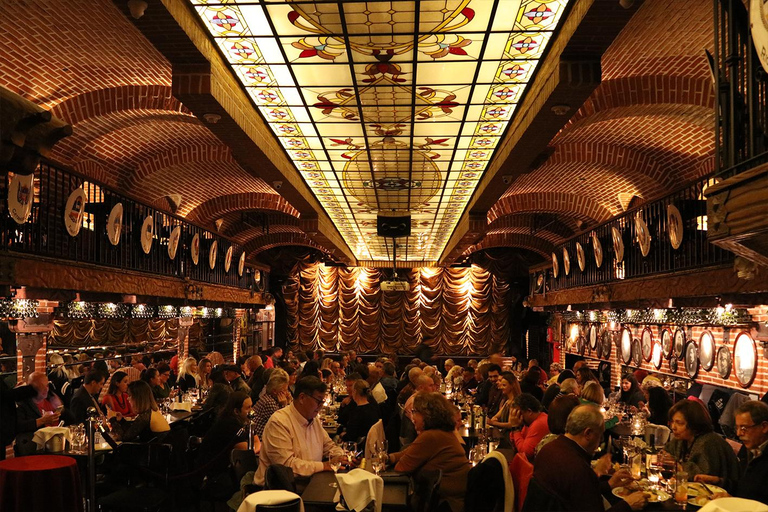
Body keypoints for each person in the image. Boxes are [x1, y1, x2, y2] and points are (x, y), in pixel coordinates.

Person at [534, 404, 646, 511]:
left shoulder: (548, 449)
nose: (599, 442)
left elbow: (577, 494)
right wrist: (628, 505)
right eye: (599, 436)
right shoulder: (579, 469)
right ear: (588, 433)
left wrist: (609, 485)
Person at [253, 376, 344, 486]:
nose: (321, 406)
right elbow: (287, 467)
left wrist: (340, 457)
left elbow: (329, 447)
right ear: (302, 398)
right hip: (277, 491)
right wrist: (324, 466)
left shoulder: (313, 420)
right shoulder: (279, 422)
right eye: (318, 401)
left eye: (322, 401)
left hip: (308, 484)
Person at [389, 392, 471, 512]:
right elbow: (409, 451)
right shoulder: (443, 432)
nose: (412, 418)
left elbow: (401, 468)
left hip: (446, 505)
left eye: (415, 412)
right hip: (452, 501)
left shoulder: (431, 436)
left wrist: (391, 460)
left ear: (427, 415)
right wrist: (388, 457)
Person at [696, 401, 768, 503]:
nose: (738, 433)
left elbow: (761, 501)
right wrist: (718, 481)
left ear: (764, 427)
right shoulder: (753, 450)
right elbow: (744, 488)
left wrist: (733, 502)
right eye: (737, 428)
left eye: (744, 428)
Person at [665, 399, 740, 491]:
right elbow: (667, 453)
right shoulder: (682, 438)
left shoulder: (709, 442)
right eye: (672, 422)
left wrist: (679, 466)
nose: (673, 427)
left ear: (694, 423)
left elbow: (704, 477)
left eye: (679, 423)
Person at [196, 391, 260, 484]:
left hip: (226, 468)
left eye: (251, 406)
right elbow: (247, 451)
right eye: (248, 408)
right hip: (215, 476)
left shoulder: (244, 422)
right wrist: (256, 446)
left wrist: (256, 445)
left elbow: (256, 441)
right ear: (236, 411)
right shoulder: (229, 425)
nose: (252, 411)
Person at [506, 393, 549, 461]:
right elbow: (515, 445)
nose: (516, 417)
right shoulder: (528, 423)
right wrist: (514, 427)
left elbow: (525, 453)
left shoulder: (539, 423)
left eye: (519, 414)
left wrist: (515, 428)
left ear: (529, 411)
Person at [252, 369, 291, 438]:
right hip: (260, 439)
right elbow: (284, 422)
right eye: (284, 390)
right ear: (275, 391)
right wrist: (284, 405)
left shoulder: (271, 398)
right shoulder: (269, 402)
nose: (287, 393)